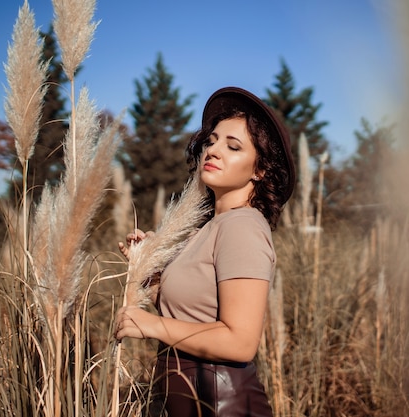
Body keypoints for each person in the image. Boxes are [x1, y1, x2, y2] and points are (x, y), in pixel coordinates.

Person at [116, 86, 295, 417]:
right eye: (211, 141)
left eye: (233, 146)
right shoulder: (208, 228)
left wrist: (150, 326)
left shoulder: (242, 226)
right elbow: (189, 314)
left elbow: (240, 341)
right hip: (189, 396)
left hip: (221, 402)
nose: (213, 151)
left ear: (259, 170)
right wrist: (148, 271)